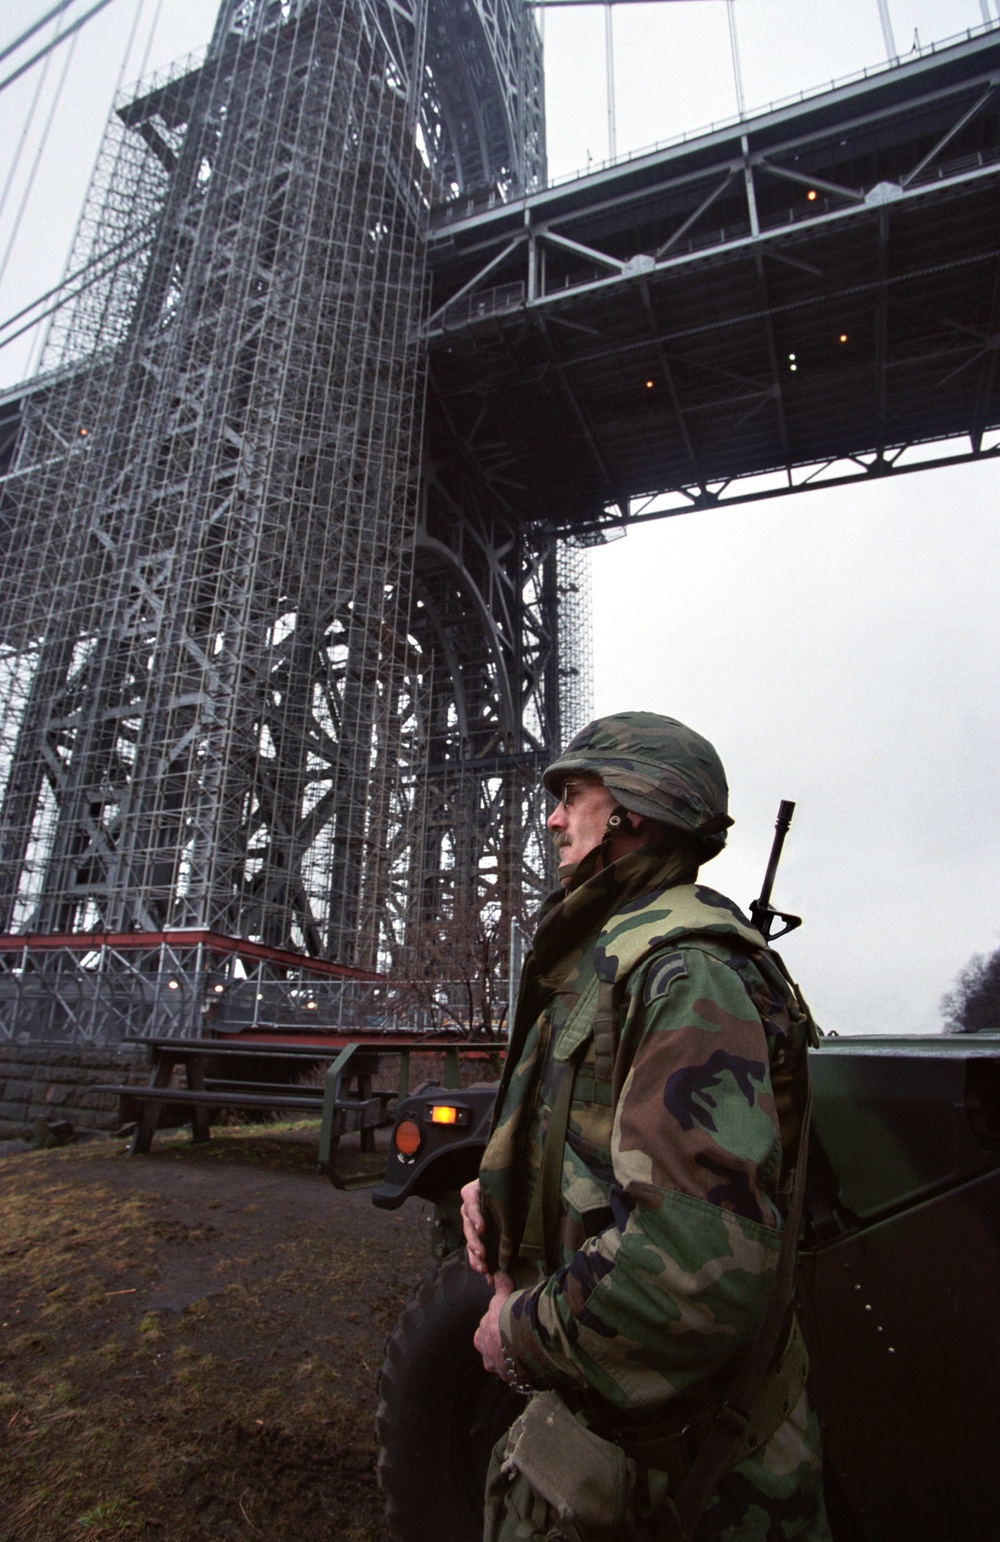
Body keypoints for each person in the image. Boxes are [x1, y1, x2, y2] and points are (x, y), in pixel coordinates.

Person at [460, 711, 830, 1542]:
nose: (552, 818)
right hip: (616, 1458)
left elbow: (692, 1274)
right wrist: (497, 1188)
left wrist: (516, 1332)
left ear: (629, 809)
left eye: (572, 794)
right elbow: (589, 1126)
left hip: (678, 1485)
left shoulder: (684, 970)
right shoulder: (617, 951)